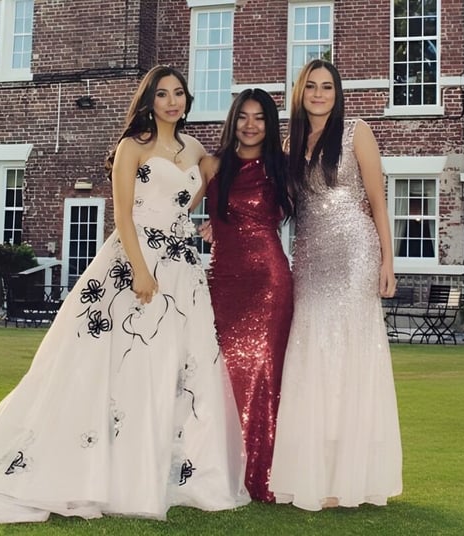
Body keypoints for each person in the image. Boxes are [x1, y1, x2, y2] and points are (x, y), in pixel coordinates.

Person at [0, 65, 249, 523]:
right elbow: (124, 216)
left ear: (187, 100)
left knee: (170, 366)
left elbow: (226, 186)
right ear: (148, 101)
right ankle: (90, 471)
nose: (172, 101)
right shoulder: (133, 146)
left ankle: (153, 471)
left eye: (179, 93)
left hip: (183, 271)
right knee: (116, 364)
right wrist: (141, 272)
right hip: (133, 264)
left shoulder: (198, 150)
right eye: (162, 94)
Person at [269, 59, 403, 510]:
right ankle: (316, 471)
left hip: (354, 255)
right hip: (309, 258)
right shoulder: (289, 145)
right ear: (300, 93)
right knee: (313, 355)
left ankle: (350, 477)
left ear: (336, 93)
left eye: (328, 86)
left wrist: (388, 260)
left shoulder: (357, 132)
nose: (320, 93)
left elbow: (379, 203)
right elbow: (281, 208)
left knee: (347, 356)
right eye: (312, 86)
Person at [198, 88, 293, 502]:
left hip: (269, 283)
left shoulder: (282, 168)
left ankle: (260, 473)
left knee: (263, 375)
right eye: (243, 117)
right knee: (219, 373)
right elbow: (172, 204)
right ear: (232, 120)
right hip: (222, 280)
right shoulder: (213, 165)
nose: (251, 125)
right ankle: (215, 467)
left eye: (259, 118)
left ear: (270, 125)